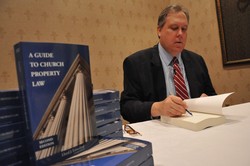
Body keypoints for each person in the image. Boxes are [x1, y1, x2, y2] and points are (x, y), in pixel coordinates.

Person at [120, 4, 216, 123]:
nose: (180, 34)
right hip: (160, 133)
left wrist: (208, 102)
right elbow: (126, 107)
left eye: (184, 29)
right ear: (159, 30)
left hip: (197, 128)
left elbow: (212, 95)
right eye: (174, 28)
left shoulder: (197, 60)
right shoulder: (136, 63)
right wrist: (158, 108)